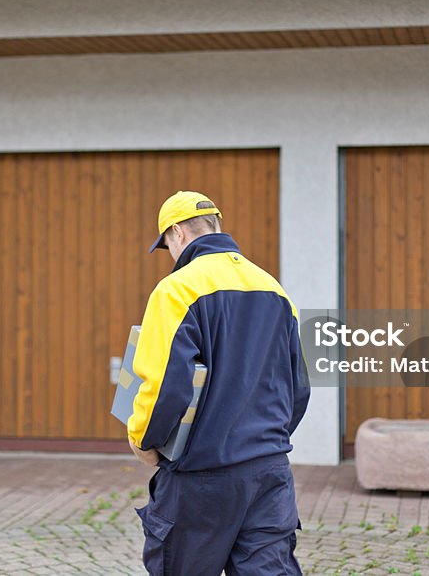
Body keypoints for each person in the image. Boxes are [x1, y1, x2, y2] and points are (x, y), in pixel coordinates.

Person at [127, 190, 310, 576]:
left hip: (202, 476)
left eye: (166, 246)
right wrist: (262, 441)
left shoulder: (176, 289)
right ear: (216, 225)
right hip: (268, 473)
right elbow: (297, 389)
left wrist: (144, 441)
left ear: (176, 232)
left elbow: (164, 385)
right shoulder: (274, 289)